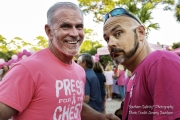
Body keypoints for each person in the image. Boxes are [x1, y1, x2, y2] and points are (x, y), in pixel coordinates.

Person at [0, 2, 120, 120]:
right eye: (65, 26)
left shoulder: (79, 71)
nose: (74, 33)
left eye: (79, 26)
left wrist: (100, 117)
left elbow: (73, 105)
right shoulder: (27, 69)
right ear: (49, 31)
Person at [103, 7, 180, 120]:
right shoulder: (133, 77)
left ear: (140, 33)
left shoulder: (160, 61)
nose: (110, 43)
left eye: (118, 33)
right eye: (107, 39)